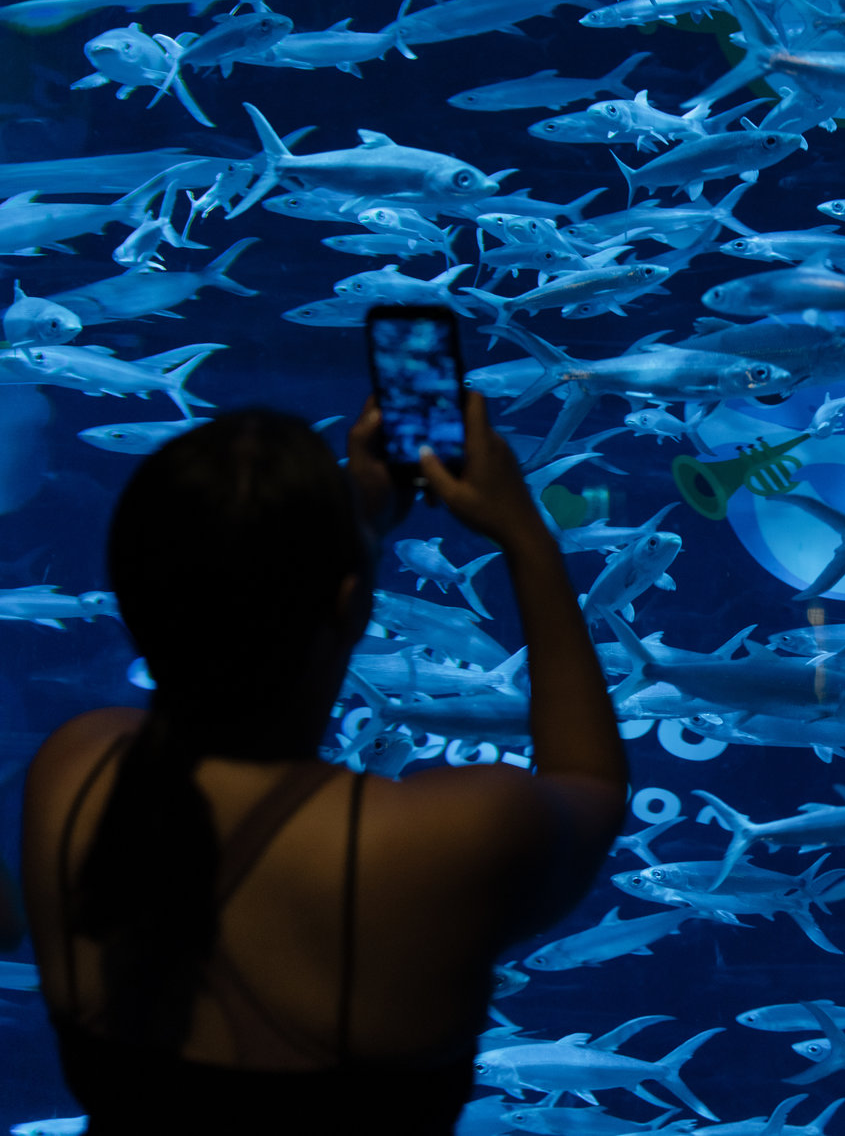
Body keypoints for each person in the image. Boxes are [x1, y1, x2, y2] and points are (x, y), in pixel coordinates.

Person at [19, 392, 628, 1135]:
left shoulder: (77, 773)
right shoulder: (437, 836)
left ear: (129, 593)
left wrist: (351, 538)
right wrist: (525, 538)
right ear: (353, 608)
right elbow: (591, 783)